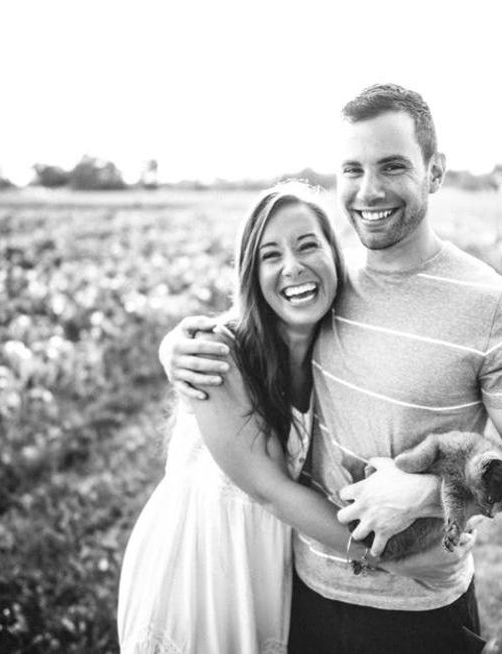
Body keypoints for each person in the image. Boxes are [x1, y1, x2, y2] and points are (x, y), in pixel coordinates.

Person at [159, 84, 502, 653]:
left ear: (435, 171)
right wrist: (176, 345)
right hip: (305, 592)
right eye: (352, 169)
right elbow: (250, 327)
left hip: (421, 606)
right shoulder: (330, 281)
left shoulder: (496, 307)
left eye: (392, 166)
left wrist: (427, 495)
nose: (369, 190)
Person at [118, 182, 453, 654]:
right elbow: (269, 490)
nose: (292, 267)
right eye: (270, 255)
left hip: (270, 566)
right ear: (251, 274)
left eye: (308, 245)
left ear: (335, 255)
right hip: (200, 568)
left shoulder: (335, 351)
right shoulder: (217, 354)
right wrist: (398, 560)